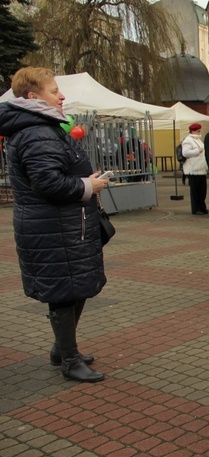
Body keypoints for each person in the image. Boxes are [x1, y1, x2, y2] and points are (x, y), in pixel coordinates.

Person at [0, 67, 110, 383]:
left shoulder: (43, 127)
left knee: (75, 287)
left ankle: (63, 348)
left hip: (61, 225)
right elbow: (48, 182)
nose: (61, 96)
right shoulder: (36, 131)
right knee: (63, 292)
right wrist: (87, 186)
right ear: (33, 97)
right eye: (54, 91)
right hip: (53, 227)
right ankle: (69, 360)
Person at [181, 123, 209, 215]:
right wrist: (198, 151)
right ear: (193, 131)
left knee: (202, 190)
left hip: (201, 168)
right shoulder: (188, 141)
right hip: (193, 169)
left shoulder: (198, 140)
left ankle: (202, 207)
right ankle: (196, 208)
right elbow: (185, 153)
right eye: (198, 131)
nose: (199, 132)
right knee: (195, 191)